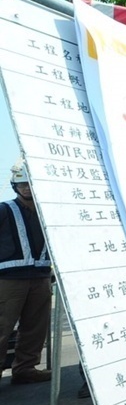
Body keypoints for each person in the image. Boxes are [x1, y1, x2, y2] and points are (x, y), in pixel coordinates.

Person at [0, 158, 53, 385]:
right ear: (15, 186)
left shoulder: (48, 213)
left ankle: (25, 369)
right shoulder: (4, 210)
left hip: (40, 278)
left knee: (35, 327)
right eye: (21, 184)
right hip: (9, 281)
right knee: (2, 327)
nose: (26, 188)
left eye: (29, 183)